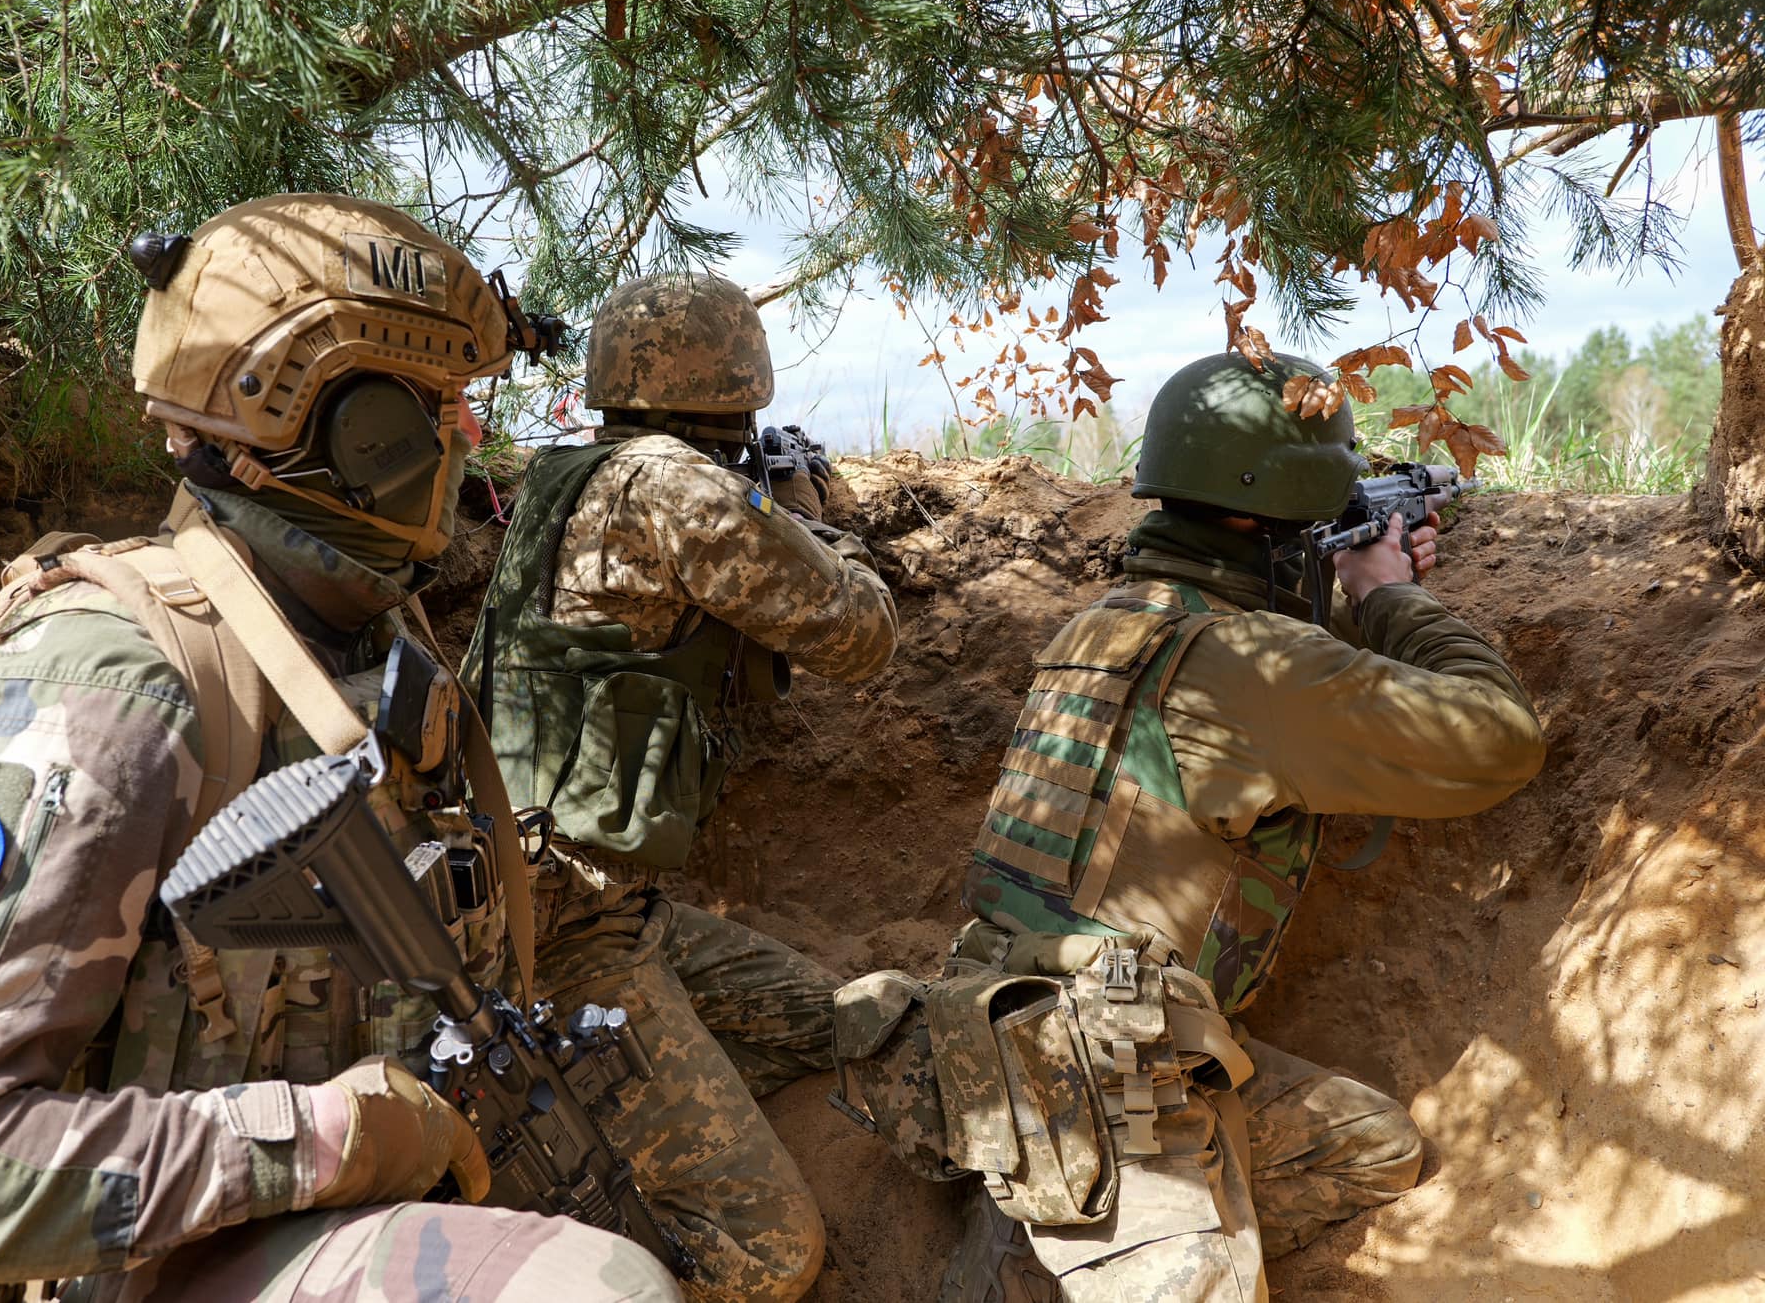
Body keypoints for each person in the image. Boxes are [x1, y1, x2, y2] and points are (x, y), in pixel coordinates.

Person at [0, 195, 682, 1303]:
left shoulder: (365, 638)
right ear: (344, 426)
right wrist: (328, 1138)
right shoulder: (111, 687)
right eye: (436, 406)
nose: (466, 437)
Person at [937, 351, 1546, 1301]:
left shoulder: (1104, 627)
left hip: (988, 1028)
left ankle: (1061, 1211)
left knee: (1374, 1144)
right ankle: (1071, 1246)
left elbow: (1270, 704)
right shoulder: (1255, 662)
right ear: (1278, 527)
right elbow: (1502, 742)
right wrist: (1388, 594)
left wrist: (1341, 595)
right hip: (1115, 1077)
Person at [462, 272, 900, 1303]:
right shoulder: (678, 488)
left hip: (581, 904)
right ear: (738, 376)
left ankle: (622, 1117)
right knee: (768, 1250)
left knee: (834, 1023)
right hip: (564, 941)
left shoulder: (562, 474)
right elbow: (859, 636)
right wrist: (810, 519)